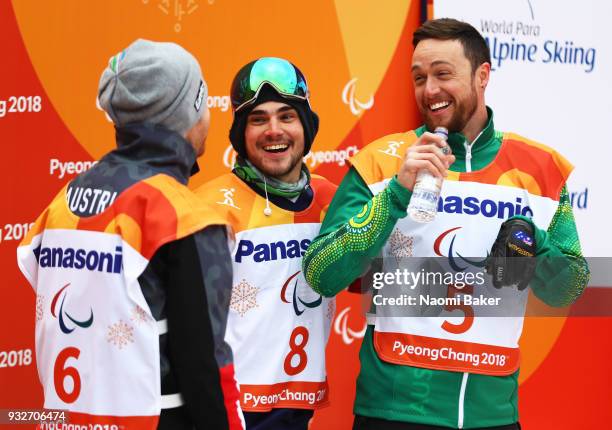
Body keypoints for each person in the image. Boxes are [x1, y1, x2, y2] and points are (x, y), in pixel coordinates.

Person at [302, 18, 589, 430]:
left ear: (482, 75)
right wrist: (395, 196)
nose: (429, 90)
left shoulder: (540, 170)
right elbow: (320, 273)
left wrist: (535, 245)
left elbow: (570, 288)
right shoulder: (381, 161)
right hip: (395, 412)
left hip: (492, 415)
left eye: (442, 74)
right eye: (419, 77)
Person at [17, 39, 243, 430]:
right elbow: (204, 366)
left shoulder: (61, 203)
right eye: (203, 101)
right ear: (190, 114)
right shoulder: (181, 214)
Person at [196, 57, 337, 430]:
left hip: (297, 410)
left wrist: (499, 275)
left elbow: (378, 281)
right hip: (230, 412)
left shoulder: (330, 201)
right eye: (258, 119)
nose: (274, 130)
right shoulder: (208, 207)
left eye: (287, 116)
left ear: (306, 126)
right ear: (241, 133)